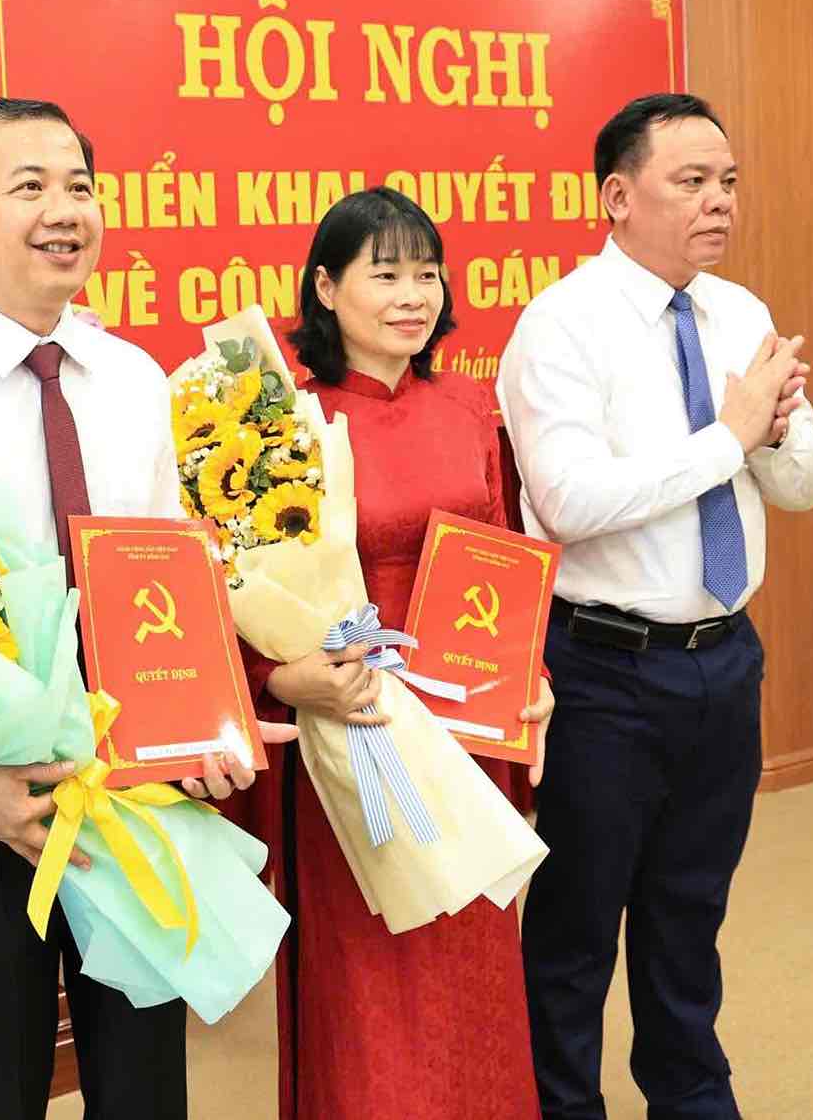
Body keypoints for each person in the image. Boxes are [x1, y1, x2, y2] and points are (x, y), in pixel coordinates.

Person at [0, 97, 292, 1119]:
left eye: (78, 186)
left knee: (142, 1067)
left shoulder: (129, 380)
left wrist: (201, 726)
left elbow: (172, 578)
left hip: (134, 785)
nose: (62, 211)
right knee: (0, 1067)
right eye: (27, 187)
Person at [499, 93, 813, 1120]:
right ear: (616, 196)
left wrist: (771, 436)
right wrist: (729, 436)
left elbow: (806, 482)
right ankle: (563, 1107)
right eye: (690, 181)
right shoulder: (559, 326)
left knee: (690, 911)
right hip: (603, 668)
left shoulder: (740, 315)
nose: (718, 202)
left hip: (726, 658)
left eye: (726, 181)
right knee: (577, 928)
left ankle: (689, 1095)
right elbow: (569, 503)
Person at [239, 187, 554, 1119]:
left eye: (425, 272)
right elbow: (238, 588)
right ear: (326, 287)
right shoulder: (276, 423)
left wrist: (529, 677)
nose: (411, 293)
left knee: (475, 967)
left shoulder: (465, 409)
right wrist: (280, 680)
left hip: (466, 729)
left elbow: (503, 558)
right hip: (357, 728)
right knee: (369, 985)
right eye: (384, 273)